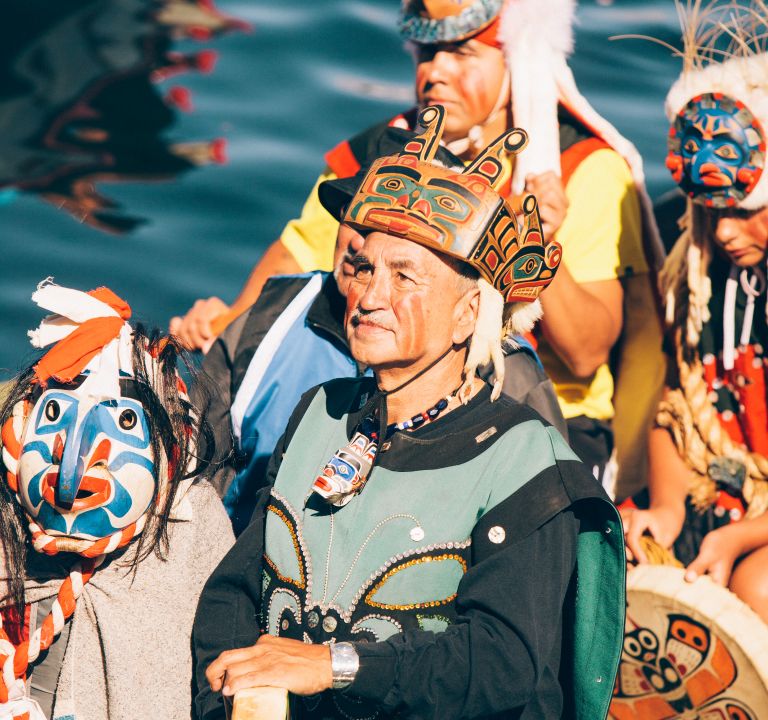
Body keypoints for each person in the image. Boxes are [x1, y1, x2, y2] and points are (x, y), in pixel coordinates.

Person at [193, 106, 625, 720]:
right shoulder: (321, 412)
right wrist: (228, 696)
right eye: (366, 268)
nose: (370, 296)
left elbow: (503, 663)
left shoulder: (529, 462)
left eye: (404, 277)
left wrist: (332, 665)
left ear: (468, 314)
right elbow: (238, 586)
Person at [171, 0, 664, 497]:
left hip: (546, 414)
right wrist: (225, 324)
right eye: (427, 52)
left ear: (518, 60)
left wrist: (534, 244)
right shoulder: (380, 150)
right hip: (382, 388)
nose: (436, 72)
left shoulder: (585, 170)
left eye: (463, 53)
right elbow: (293, 260)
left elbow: (586, 354)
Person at [200, 127, 567, 533]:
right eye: (358, 222)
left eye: (403, 266)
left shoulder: (509, 376)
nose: (364, 247)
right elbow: (199, 467)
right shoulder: (273, 314)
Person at [0, 281, 233, 719]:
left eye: (125, 422)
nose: (73, 462)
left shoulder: (189, 524)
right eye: (53, 415)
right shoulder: (5, 511)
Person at [620, 14, 768, 622]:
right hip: (722, 498)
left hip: (750, 524)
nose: (725, 231)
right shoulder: (703, 277)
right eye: (710, 213)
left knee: (757, 588)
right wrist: (668, 509)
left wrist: (738, 540)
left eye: (745, 211)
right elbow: (681, 405)